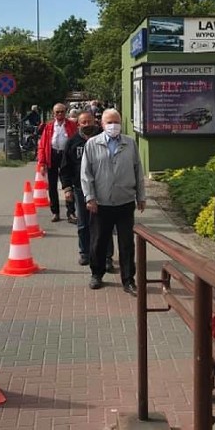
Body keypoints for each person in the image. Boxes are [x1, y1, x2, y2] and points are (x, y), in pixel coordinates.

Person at [81, 108, 145, 294]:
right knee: (98, 241)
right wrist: (89, 197)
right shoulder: (92, 144)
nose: (113, 126)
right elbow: (86, 174)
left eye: (116, 122)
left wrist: (140, 196)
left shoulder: (130, 144)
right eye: (109, 122)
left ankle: (128, 280)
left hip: (125, 202)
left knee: (126, 243)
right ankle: (97, 274)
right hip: (101, 203)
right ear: (102, 124)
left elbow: (138, 171)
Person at [59, 110, 115, 269]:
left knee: (105, 224)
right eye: (83, 122)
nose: (87, 124)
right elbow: (65, 167)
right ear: (78, 124)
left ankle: (107, 257)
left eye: (89, 121)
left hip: (102, 189)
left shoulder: (105, 139)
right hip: (80, 189)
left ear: (95, 123)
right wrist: (67, 187)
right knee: (83, 224)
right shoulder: (72, 142)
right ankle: (85, 253)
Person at [37, 102, 78, 222]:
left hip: (67, 157)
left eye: (62, 111)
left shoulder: (71, 125)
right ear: (53, 113)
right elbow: (42, 146)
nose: (60, 114)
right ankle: (55, 212)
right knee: (52, 186)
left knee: (68, 184)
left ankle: (71, 212)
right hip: (53, 155)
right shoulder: (49, 127)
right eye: (57, 112)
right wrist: (42, 163)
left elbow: (76, 141)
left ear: (65, 112)